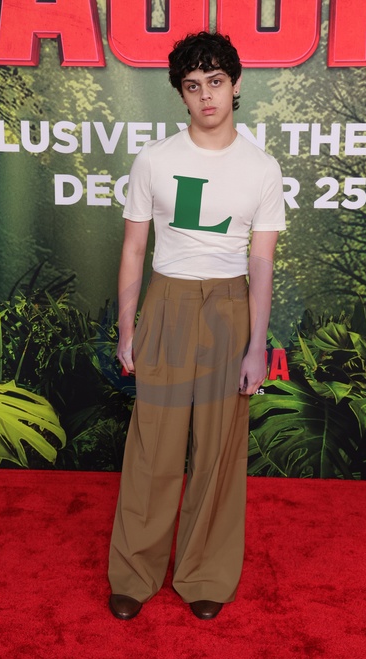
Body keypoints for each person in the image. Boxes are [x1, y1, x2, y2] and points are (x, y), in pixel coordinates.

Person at [108, 31, 286, 621]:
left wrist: (256, 346)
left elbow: (262, 262)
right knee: (152, 446)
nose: (206, 95)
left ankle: (205, 572)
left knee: (219, 448)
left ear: (235, 85)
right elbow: (134, 249)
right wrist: (127, 328)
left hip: (229, 306)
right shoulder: (154, 160)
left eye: (215, 81)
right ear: (180, 94)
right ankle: (134, 573)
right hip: (167, 301)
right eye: (192, 85)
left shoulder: (262, 168)